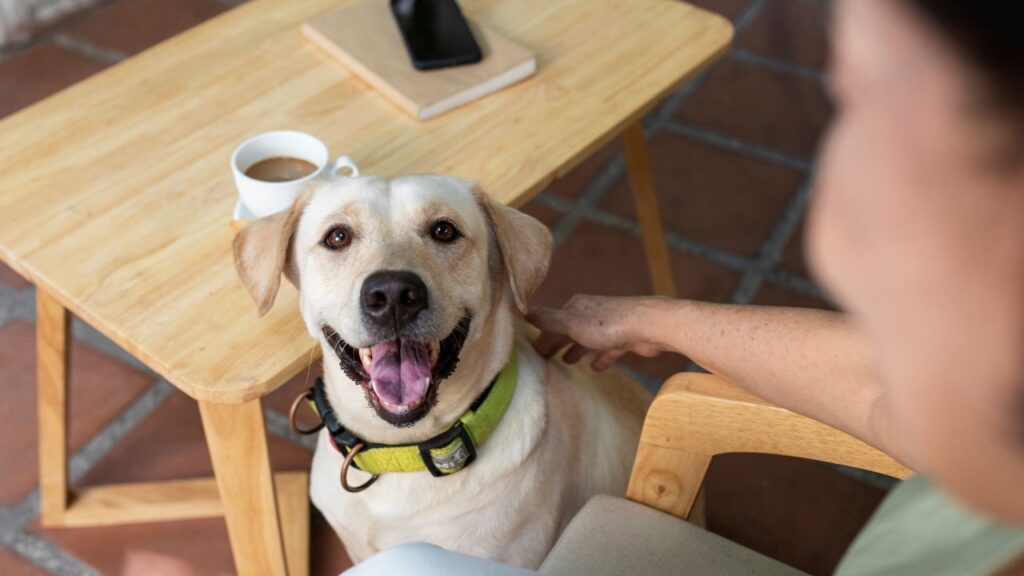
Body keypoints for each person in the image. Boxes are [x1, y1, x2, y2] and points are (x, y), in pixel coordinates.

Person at [346, 0, 1024, 573]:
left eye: (861, 100)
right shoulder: (979, 419)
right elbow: (878, 391)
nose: (825, 207)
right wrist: (653, 320)